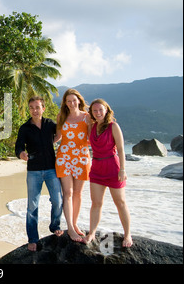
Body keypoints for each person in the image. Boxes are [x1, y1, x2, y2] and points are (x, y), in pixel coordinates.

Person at [15, 96, 63, 252]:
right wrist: (21, 153)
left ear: (43, 108)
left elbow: (60, 133)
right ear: (29, 109)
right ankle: (33, 238)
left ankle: (55, 225)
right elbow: (19, 146)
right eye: (31, 107)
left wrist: (54, 141)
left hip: (51, 169)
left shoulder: (50, 124)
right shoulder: (25, 128)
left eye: (37, 107)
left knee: (57, 200)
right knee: (32, 205)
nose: (34, 110)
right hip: (34, 171)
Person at [85, 99, 133, 247]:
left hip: (113, 167)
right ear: (92, 113)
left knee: (120, 202)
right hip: (97, 168)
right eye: (95, 110)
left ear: (106, 110)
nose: (98, 112)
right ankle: (92, 232)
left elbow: (121, 149)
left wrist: (123, 169)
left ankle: (127, 234)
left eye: (100, 110)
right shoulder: (91, 126)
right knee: (96, 203)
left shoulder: (114, 126)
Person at [55, 89, 92, 243]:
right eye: (68, 101)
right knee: (68, 192)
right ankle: (70, 227)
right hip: (64, 157)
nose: (71, 103)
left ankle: (75, 223)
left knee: (77, 193)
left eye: (74, 100)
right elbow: (57, 137)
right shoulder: (61, 117)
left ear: (79, 100)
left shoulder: (87, 117)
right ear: (65, 103)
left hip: (82, 157)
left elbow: (91, 137)